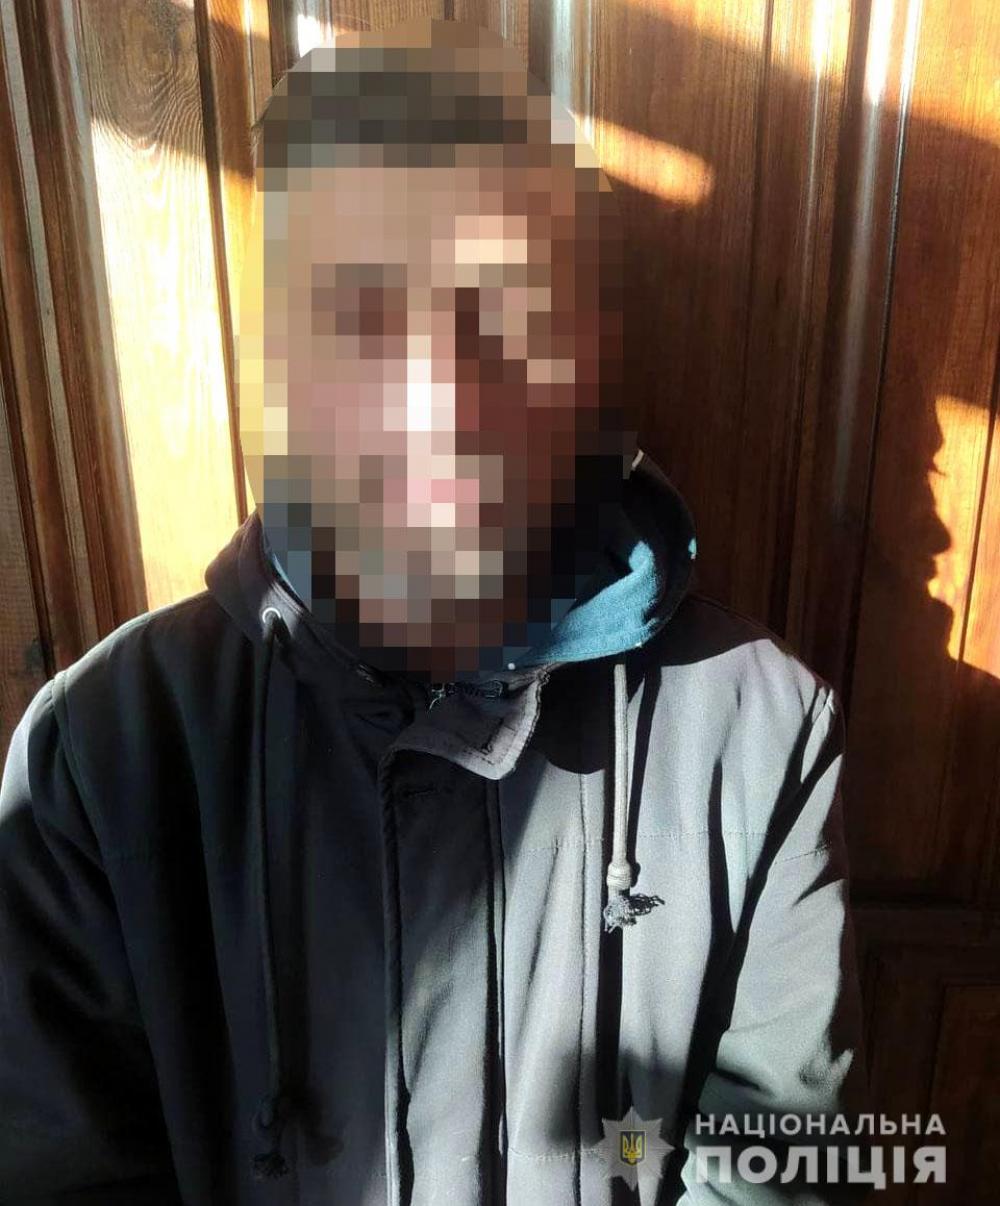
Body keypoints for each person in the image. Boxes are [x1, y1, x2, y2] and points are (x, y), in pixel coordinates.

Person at [0, 17, 870, 1205]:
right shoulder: (100, 752)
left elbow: (782, 1165)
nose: (439, 395)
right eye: (364, 311)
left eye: (505, 307)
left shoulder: (760, 730)